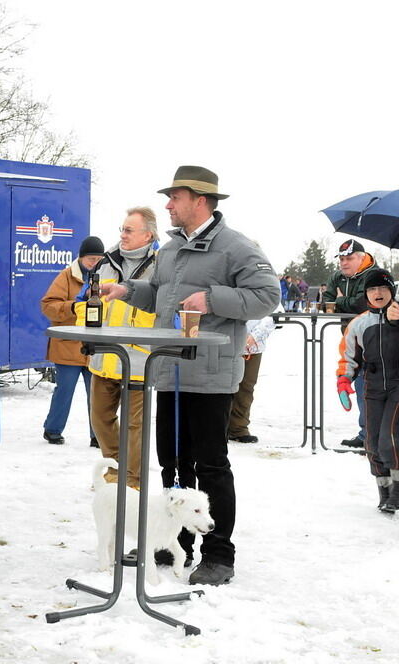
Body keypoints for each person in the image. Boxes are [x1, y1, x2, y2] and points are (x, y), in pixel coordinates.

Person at [100, 165, 279, 586]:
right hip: (171, 371)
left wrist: (214, 299)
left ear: (199, 201)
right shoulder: (172, 249)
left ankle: (219, 556)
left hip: (211, 377)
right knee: (172, 465)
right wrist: (128, 289)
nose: (168, 206)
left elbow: (268, 296)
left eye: (174, 198)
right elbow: (160, 296)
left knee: (211, 466)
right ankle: (173, 546)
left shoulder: (237, 248)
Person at [89, 208, 160, 487]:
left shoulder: (161, 264)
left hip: (139, 358)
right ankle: (115, 466)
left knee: (135, 425)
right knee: (100, 417)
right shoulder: (106, 262)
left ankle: (132, 479)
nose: (122, 235)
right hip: (106, 356)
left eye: (129, 230)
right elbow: (91, 301)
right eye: (122, 229)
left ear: (148, 234)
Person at [336, 269, 399, 512]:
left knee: (391, 435)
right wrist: (343, 380)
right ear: (366, 294)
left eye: (383, 288)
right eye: (372, 289)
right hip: (372, 385)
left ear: (392, 291)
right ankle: (385, 488)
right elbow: (347, 356)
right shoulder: (359, 323)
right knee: (371, 441)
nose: (378, 293)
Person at [39, 235, 106, 445]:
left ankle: (98, 436)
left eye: (98, 259)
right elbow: (48, 306)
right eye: (90, 259)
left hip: (94, 347)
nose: (94, 264)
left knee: (97, 394)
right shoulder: (66, 276)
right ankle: (52, 430)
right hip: (68, 346)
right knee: (64, 391)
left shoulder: (106, 278)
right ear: (81, 257)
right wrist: (74, 307)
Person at [324, 238, 381, 449]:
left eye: (348, 259)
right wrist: (338, 302)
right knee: (359, 386)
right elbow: (325, 303)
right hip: (351, 340)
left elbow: (361, 304)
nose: (343, 264)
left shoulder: (375, 275)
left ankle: (373, 435)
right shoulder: (337, 276)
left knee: (371, 388)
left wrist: (340, 301)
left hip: (376, 339)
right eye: (341, 260)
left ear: (361, 257)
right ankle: (366, 432)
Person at [227, 316, 275, 443]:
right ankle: (219, 427)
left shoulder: (266, 295)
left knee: (246, 387)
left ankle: (238, 428)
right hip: (226, 341)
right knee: (222, 386)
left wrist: (255, 336)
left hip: (253, 347)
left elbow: (273, 315)